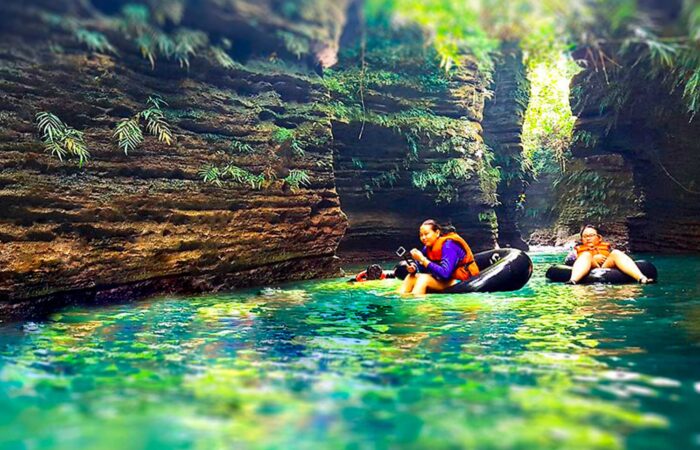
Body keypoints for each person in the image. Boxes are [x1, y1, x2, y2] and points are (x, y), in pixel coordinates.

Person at [398, 219, 479, 295]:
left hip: (462, 279)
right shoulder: (428, 247)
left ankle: (419, 306)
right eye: (421, 235)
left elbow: (445, 274)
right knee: (411, 277)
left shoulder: (448, 246)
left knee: (423, 279)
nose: (423, 238)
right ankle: (401, 298)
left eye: (426, 234)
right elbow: (422, 269)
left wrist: (422, 259)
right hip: (446, 279)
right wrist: (414, 268)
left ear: (437, 233)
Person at [567, 224, 653, 284]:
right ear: (581, 239)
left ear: (599, 237)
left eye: (591, 235)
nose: (588, 238)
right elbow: (568, 263)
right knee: (586, 255)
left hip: (606, 266)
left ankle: (641, 278)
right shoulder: (575, 251)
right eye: (585, 236)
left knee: (616, 253)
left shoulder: (608, 248)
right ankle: (573, 280)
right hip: (591, 266)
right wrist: (593, 258)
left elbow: (623, 259)